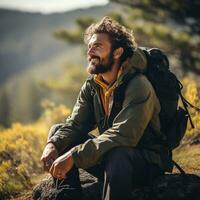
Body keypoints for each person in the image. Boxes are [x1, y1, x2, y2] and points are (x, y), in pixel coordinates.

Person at [40, 16, 173, 200]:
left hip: (145, 162)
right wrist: (52, 144)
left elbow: (124, 135)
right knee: (58, 132)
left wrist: (75, 156)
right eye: (89, 46)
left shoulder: (138, 85)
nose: (90, 51)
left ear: (117, 52)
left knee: (118, 154)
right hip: (111, 157)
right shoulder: (93, 86)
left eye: (98, 46)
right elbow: (76, 125)